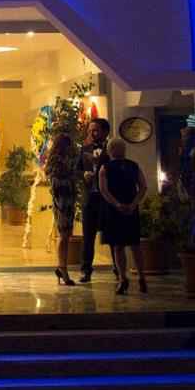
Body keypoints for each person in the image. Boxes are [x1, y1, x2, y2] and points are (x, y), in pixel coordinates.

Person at [98, 138, 149, 295]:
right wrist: (133, 204)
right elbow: (143, 187)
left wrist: (118, 205)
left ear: (109, 151)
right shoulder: (133, 166)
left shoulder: (105, 168)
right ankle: (139, 278)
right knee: (133, 245)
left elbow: (103, 190)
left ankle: (124, 279)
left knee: (120, 246)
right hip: (127, 208)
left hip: (116, 209)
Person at [77, 118, 112, 283]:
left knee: (112, 235)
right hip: (89, 198)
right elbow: (77, 170)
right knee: (88, 237)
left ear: (105, 132)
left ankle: (118, 269)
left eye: (96, 130)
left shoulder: (112, 149)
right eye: (90, 130)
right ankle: (86, 270)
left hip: (108, 198)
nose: (92, 133)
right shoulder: (84, 149)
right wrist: (83, 175)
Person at [45, 128, 78, 285]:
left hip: (67, 201)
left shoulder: (63, 160)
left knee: (65, 235)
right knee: (64, 235)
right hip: (63, 202)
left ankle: (62, 268)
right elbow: (56, 183)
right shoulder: (57, 162)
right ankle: (62, 268)